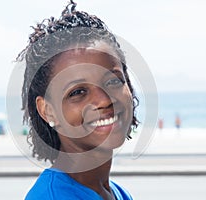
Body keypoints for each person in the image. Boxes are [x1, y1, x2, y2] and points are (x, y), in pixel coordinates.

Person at [17, 1, 139, 199]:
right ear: (47, 110)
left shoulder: (118, 194)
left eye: (113, 81)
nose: (103, 100)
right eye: (78, 92)